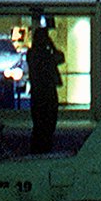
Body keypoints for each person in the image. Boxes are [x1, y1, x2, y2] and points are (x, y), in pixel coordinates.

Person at [25, 24, 63, 154]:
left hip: (37, 94)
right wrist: (51, 45)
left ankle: (37, 150)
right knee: (48, 125)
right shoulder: (44, 54)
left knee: (39, 126)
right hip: (47, 93)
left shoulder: (31, 54)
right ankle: (43, 150)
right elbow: (60, 57)